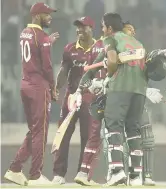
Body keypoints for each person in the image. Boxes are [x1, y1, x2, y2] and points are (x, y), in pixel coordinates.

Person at [78, 21, 166, 186]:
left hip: (132, 94)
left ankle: (142, 175)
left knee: (141, 135)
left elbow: (144, 69)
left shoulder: (137, 48)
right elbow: (97, 68)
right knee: (108, 135)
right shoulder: (110, 43)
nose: (132, 32)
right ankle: (111, 172)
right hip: (110, 94)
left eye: (133, 29)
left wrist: (158, 57)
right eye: (129, 29)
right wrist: (93, 84)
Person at [4, 2, 59, 186]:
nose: (50, 16)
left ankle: (15, 168)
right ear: (37, 16)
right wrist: (53, 87)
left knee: (34, 131)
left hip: (25, 84)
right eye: (47, 14)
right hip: (38, 87)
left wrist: (47, 42)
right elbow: (47, 66)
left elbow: (34, 50)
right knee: (41, 132)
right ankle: (35, 175)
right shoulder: (41, 36)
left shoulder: (25, 33)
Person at [51, 16, 105, 185]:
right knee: (63, 133)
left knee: (88, 136)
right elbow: (64, 71)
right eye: (78, 27)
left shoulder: (101, 48)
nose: (79, 30)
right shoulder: (70, 48)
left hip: (90, 97)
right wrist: (57, 88)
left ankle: (83, 174)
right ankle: (58, 174)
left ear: (92, 29)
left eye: (83, 27)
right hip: (71, 97)